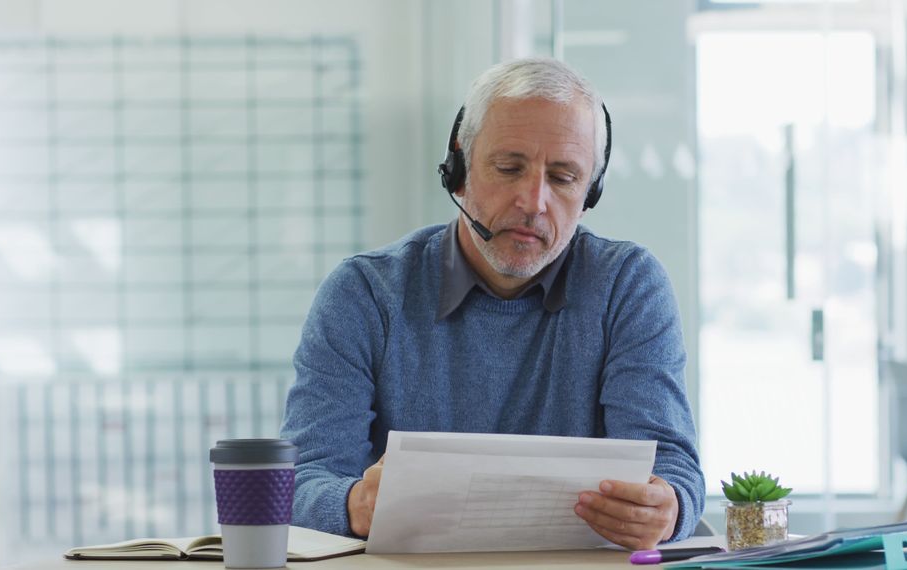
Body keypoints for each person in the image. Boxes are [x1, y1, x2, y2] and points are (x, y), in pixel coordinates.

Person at [280, 57, 704, 550]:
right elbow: (301, 482)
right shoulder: (363, 294)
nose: (533, 201)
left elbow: (669, 467)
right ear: (457, 171)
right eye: (509, 167)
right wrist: (353, 502)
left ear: (591, 192)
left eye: (564, 177)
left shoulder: (627, 287)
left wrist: (666, 507)